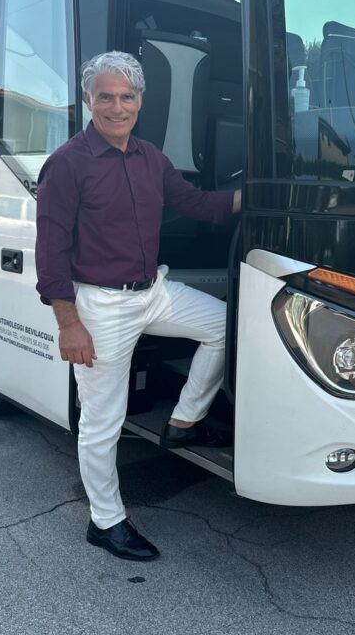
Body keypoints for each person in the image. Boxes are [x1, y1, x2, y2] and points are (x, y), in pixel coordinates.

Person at [35, 51, 240, 561]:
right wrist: (70, 324)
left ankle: (184, 420)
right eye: (105, 96)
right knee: (102, 422)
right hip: (101, 305)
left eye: (127, 96)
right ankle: (105, 522)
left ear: (141, 101)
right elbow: (51, 252)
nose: (116, 106)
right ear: (88, 100)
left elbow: (199, 205)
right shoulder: (67, 165)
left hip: (154, 291)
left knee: (225, 325)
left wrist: (257, 193)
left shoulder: (151, 158)